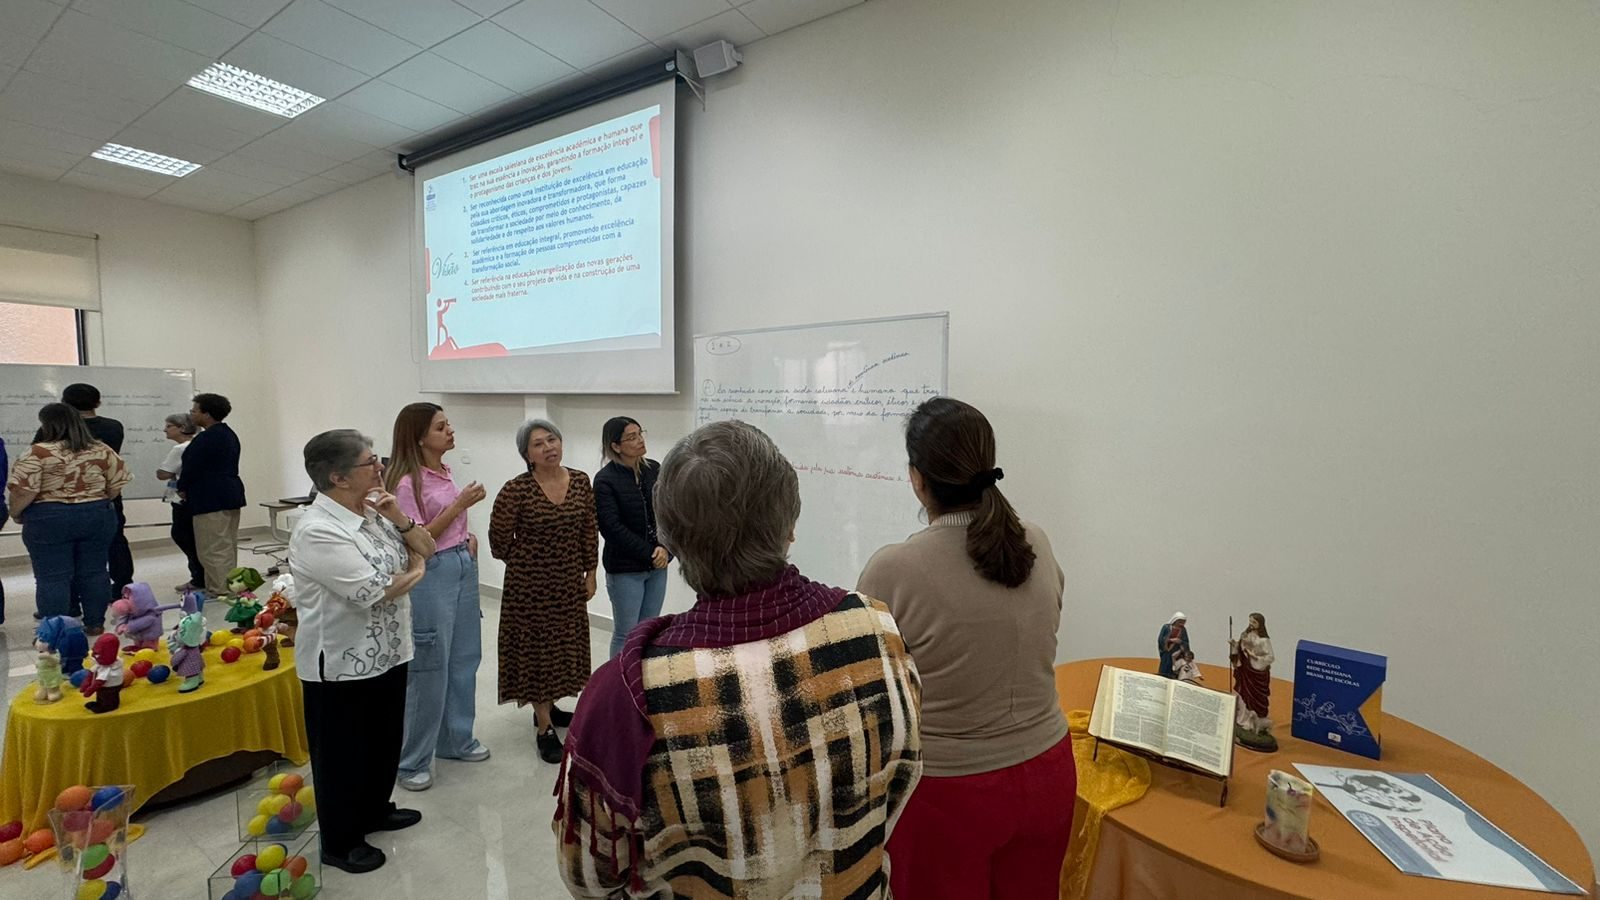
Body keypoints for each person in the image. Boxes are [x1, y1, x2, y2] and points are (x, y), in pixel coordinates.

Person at [554, 421, 924, 898]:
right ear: (790, 526)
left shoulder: (623, 695)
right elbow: (902, 780)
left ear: (673, 541)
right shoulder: (876, 630)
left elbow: (590, 877)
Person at [856, 397, 1072, 900]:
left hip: (949, 792)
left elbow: (869, 687)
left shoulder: (894, 569)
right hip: (1050, 772)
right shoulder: (1037, 541)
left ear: (917, 478)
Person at [289, 430, 436, 874]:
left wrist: (399, 518)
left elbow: (427, 547)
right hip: (340, 661)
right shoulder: (318, 529)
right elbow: (373, 590)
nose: (380, 467)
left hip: (388, 650)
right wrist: (417, 569)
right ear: (337, 477)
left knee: (382, 740)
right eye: (370, 462)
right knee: (342, 753)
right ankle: (340, 841)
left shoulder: (372, 511)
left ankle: (374, 810)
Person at [384, 402, 490, 792]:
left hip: (459, 563)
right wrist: (460, 506)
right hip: (432, 572)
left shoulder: (442, 471)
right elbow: (420, 538)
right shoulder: (405, 483)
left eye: (448, 424)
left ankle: (455, 740)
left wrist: (465, 535)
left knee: (464, 657)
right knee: (430, 666)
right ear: (418, 437)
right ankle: (412, 760)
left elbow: (442, 525)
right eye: (441, 427)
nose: (450, 431)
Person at [487, 419, 597, 764]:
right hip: (528, 588)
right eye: (538, 444)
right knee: (536, 653)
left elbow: (588, 529)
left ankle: (549, 706)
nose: (548, 447)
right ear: (527, 454)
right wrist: (530, 561)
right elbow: (499, 542)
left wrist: (591, 572)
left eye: (552, 439)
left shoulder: (580, 481)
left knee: (563, 648)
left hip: (568, 583)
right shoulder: (515, 490)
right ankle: (544, 727)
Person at [8, 403, 130, 634]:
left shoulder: (37, 452)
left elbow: (24, 491)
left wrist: (16, 513)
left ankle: (56, 629)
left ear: (47, 425)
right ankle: (95, 623)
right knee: (95, 571)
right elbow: (115, 486)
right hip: (97, 514)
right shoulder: (102, 449)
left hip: (49, 517)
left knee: (52, 577)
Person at [31, 383, 132, 604]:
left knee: (68, 553)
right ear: (98, 402)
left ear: (65, 404)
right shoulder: (113, 427)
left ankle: (71, 599)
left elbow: (38, 459)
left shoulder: (51, 430)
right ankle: (123, 587)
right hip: (104, 494)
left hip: (61, 499)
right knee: (115, 542)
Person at [593, 416, 670, 658]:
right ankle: (618, 678)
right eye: (631, 437)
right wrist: (650, 553)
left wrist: (666, 549)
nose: (640, 440)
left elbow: (668, 511)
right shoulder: (605, 480)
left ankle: (643, 676)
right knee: (625, 633)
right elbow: (611, 528)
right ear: (616, 446)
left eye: (640, 434)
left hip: (658, 565)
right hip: (626, 569)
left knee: (649, 630)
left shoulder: (654, 469)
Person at [179, 393, 246, 597]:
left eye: (194, 410)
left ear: (207, 414)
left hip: (211, 496)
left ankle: (221, 589)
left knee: (212, 547)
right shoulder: (227, 434)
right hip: (228, 493)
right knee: (225, 545)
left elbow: (192, 467)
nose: (191, 414)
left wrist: (182, 486)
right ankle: (223, 586)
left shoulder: (207, 438)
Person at [156, 413, 206, 593]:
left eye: (169, 426)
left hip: (183, 498)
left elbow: (163, 473)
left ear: (182, 428)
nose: (165, 430)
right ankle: (201, 575)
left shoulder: (180, 449)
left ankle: (198, 577)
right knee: (194, 537)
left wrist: (165, 472)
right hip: (198, 497)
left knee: (182, 535)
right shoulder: (200, 444)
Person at [1231, 612, 1274, 729]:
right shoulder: (1246, 635)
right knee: (1243, 695)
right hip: (1245, 671)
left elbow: (1270, 657)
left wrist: (1255, 657)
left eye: (1254, 622)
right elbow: (1241, 648)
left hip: (1256, 673)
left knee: (1255, 698)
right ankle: (1243, 719)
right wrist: (1235, 645)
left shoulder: (1264, 640)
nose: (1251, 624)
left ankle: (1255, 723)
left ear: (1260, 624)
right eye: (1250, 621)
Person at [1158, 611, 1190, 678]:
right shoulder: (1166, 627)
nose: (1182, 623)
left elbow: (1186, 641)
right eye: (1180, 621)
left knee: (1175, 665)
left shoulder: (1183, 630)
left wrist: (1181, 642)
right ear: (1175, 620)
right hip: (1167, 651)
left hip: (1177, 652)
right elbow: (1161, 639)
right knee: (1165, 665)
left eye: (1183, 622)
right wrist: (1171, 640)